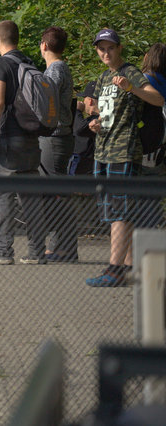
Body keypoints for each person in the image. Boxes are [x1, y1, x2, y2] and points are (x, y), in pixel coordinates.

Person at [85, 28, 165, 287]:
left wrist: (132, 88)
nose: (106, 53)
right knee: (113, 210)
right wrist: (96, 122)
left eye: (110, 48)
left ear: (119, 48)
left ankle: (114, 270)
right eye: (101, 49)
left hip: (125, 149)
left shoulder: (130, 72)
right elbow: (105, 114)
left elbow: (157, 99)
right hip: (103, 150)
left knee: (119, 211)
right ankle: (129, 266)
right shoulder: (102, 77)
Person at [0, 20, 44, 265]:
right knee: (31, 197)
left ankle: (4, 251)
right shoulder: (29, 63)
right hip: (31, 138)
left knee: (3, 195)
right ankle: (37, 252)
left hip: (8, 139)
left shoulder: (1, 64)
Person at [33, 26, 76, 262]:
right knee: (56, 191)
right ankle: (62, 246)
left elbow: (46, 100)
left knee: (56, 193)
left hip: (55, 136)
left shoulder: (55, 69)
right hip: (58, 136)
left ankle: (64, 247)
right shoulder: (58, 68)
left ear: (44, 45)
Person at [139, 42, 166, 167]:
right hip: (161, 142)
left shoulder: (143, 80)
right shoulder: (163, 81)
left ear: (146, 57)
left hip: (146, 143)